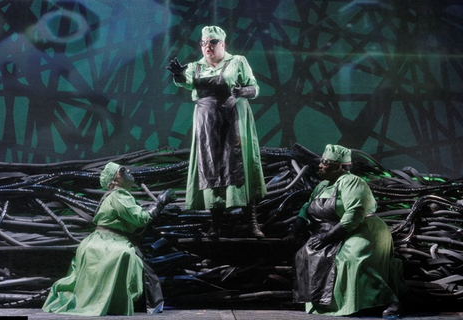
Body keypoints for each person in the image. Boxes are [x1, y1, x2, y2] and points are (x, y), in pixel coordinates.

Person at [166, 25, 266, 238]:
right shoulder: (196, 66)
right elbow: (187, 82)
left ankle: (252, 222)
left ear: (223, 44)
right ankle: (216, 224)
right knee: (210, 164)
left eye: (212, 42)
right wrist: (178, 74)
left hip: (234, 118)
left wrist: (242, 91)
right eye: (204, 43)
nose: (207, 47)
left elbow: (255, 88)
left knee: (239, 165)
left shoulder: (237, 61)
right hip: (207, 120)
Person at [285, 144, 407, 317]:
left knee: (351, 259)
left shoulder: (352, 182)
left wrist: (328, 237)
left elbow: (354, 214)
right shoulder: (322, 186)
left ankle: (389, 300)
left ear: (340, 166)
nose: (320, 165)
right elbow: (307, 208)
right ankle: (322, 302)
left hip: (363, 229)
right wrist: (296, 229)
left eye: (325, 162)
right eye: (321, 161)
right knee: (304, 254)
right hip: (337, 232)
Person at [42, 162, 176, 316]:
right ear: (114, 181)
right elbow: (140, 218)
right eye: (122, 170)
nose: (128, 171)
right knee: (130, 257)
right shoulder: (119, 195)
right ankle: (145, 305)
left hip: (97, 241)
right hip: (109, 241)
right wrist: (160, 202)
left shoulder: (115, 196)